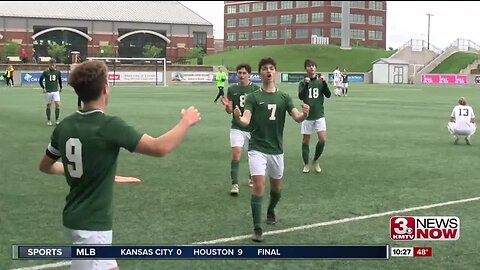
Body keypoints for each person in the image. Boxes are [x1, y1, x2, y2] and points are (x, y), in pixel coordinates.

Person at [38, 60, 201, 270]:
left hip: (77, 218)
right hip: (92, 226)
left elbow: (45, 166)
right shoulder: (108, 126)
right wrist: (185, 121)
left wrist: (79, 171)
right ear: (106, 89)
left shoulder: (65, 126)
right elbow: (159, 147)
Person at [234, 57, 309, 242]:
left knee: (277, 190)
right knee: (259, 185)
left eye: (271, 68)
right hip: (257, 148)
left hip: (276, 150)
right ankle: (257, 228)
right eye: (265, 68)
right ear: (260, 73)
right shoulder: (253, 97)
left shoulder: (284, 97)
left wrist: (304, 115)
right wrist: (238, 117)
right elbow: (246, 120)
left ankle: (270, 209)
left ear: (275, 72)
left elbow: (297, 117)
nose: (268, 71)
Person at [221, 63, 260, 195]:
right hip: (237, 126)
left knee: (252, 156)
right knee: (236, 153)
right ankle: (234, 184)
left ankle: (251, 178)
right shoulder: (232, 89)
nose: (241, 75)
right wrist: (227, 107)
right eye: (239, 73)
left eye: (244, 73)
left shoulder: (256, 89)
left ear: (249, 74)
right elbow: (229, 111)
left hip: (252, 128)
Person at [298, 59, 331, 173]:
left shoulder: (320, 81)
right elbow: (301, 96)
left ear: (316, 68)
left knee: (322, 139)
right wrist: (306, 84)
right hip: (307, 116)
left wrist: (325, 83)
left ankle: (315, 160)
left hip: (319, 115)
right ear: (306, 69)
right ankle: (306, 163)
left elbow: (328, 95)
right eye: (309, 66)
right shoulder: (303, 82)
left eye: (313, 66)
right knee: (306, 140)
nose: (311, 68)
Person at [40, 59, 63, 125]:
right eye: (51, 64)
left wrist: (61, 87)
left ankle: (57, 120)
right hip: (49, 91)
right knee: (48, 106)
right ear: (49, 64)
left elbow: (60, 80)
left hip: (56, 91)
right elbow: (40, 80)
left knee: (58, 105)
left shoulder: (58, 72)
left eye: (53, 65)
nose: (52, 66)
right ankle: (49, 120)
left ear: (55, 65)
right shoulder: (46, 72)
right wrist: (43, 88)